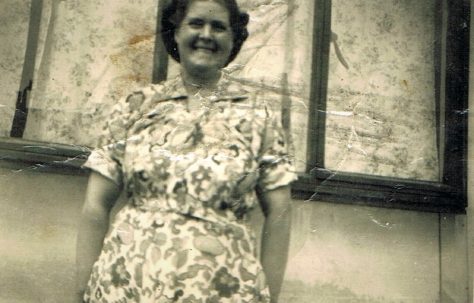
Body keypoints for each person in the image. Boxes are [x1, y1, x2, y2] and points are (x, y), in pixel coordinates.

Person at [76, 0, 297, 302]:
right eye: (195, 23)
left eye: (219, 27)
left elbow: (280, 212)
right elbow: (95, 207)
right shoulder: (136, 107)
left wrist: (269, 297)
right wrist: (80, 292)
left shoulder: (258, 116)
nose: (206, 34)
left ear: (233, 40)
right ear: (176, 32)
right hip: (126, 286)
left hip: (222, 291)